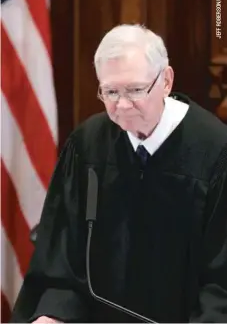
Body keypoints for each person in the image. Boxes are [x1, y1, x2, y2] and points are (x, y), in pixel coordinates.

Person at [11, 24, 227, 323]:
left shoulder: (215, 151)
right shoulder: (87, 145)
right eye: (110, 92)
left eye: (135, 90)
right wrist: (53, 313)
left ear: (166, 81)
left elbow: (221, 283)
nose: (122, 105)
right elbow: (61, 262)